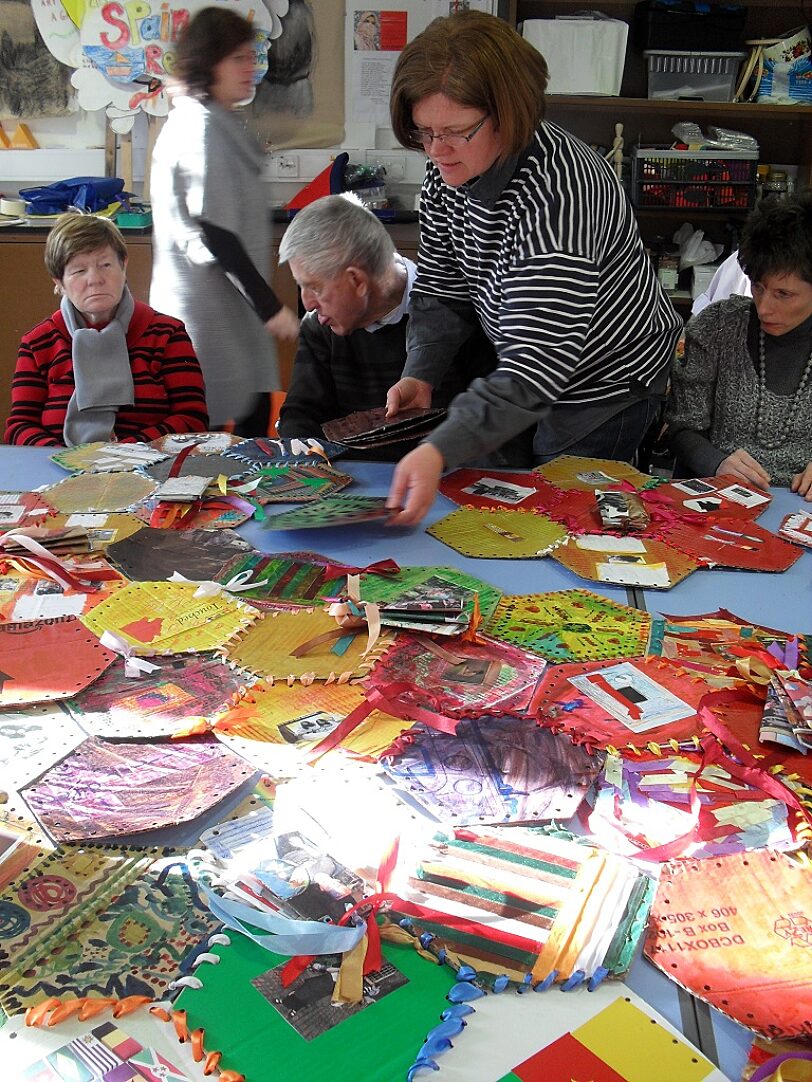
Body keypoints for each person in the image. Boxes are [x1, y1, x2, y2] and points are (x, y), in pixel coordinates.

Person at [382, 11, 681, 524]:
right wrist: (421, 373)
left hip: (605, 385)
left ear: (509, 113)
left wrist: (439, 450)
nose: (436, 152)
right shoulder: (447, 173)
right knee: (503, 511)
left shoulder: (562, 193)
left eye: (454, 132)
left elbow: (538, 365)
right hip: (524, 369)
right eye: (424, 132)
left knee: (572, 522)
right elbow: (441, 289)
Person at [276, 194, 518, 461]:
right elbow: (300, 417)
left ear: (357, 281)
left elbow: (500, 429)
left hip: (448, 483)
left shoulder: (458, 315)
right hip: (353, 489)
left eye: (314, 287)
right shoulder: (321, 327)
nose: (307, 304)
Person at [149, 7, 299, 436]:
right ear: (208, 61)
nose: (251, 67)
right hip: (204, 314)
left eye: (252, 55)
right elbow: (214, 233)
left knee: (247, 422)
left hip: (229, 310)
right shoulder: (198, 128)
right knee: (207, 434)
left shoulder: (214, 120)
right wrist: (270, 308)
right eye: (238, 58)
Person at [5, 214, 208, 447]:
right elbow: (20, 426)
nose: (95, 279)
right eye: (79, 271)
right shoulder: (38, 343)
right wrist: (69, 460)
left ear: (124, 266)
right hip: (58, 470)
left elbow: (193, 419)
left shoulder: (167, 334)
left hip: (148, 467)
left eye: (105, 265)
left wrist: (125, 452)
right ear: (59, 282)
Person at [666, 192, 812, 498]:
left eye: (783, 294)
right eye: (758, 288)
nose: (764, 308)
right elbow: (681, 428)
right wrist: (715, 463)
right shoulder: (716, 328)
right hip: (722, 497)